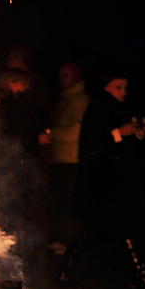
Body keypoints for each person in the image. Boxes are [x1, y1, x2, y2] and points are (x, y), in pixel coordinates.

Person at [54, 70, 145, 286]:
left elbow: (125, 145)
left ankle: (140, 274)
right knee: (94, 227)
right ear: (106, 86)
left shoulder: (118, 108)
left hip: (115, 180)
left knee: (119, 226)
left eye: (125, 88)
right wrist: (119, 133)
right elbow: (91, 141)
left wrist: (138, 132)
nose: (123, 92)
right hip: (101, 181)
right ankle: (140, 275)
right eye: (119, 87)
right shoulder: (98, 107)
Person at [41, 63, 90, 254]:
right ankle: (61, 239)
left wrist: (53, 134)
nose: (61, 79)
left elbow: (76, 132)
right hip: (59, 159)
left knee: (70, 203)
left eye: (66, 75)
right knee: (60, 202)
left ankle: (68, 242)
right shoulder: (65, 99)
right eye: (60, 75)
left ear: (75, 78)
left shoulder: (79, 101)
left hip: (71, 160)